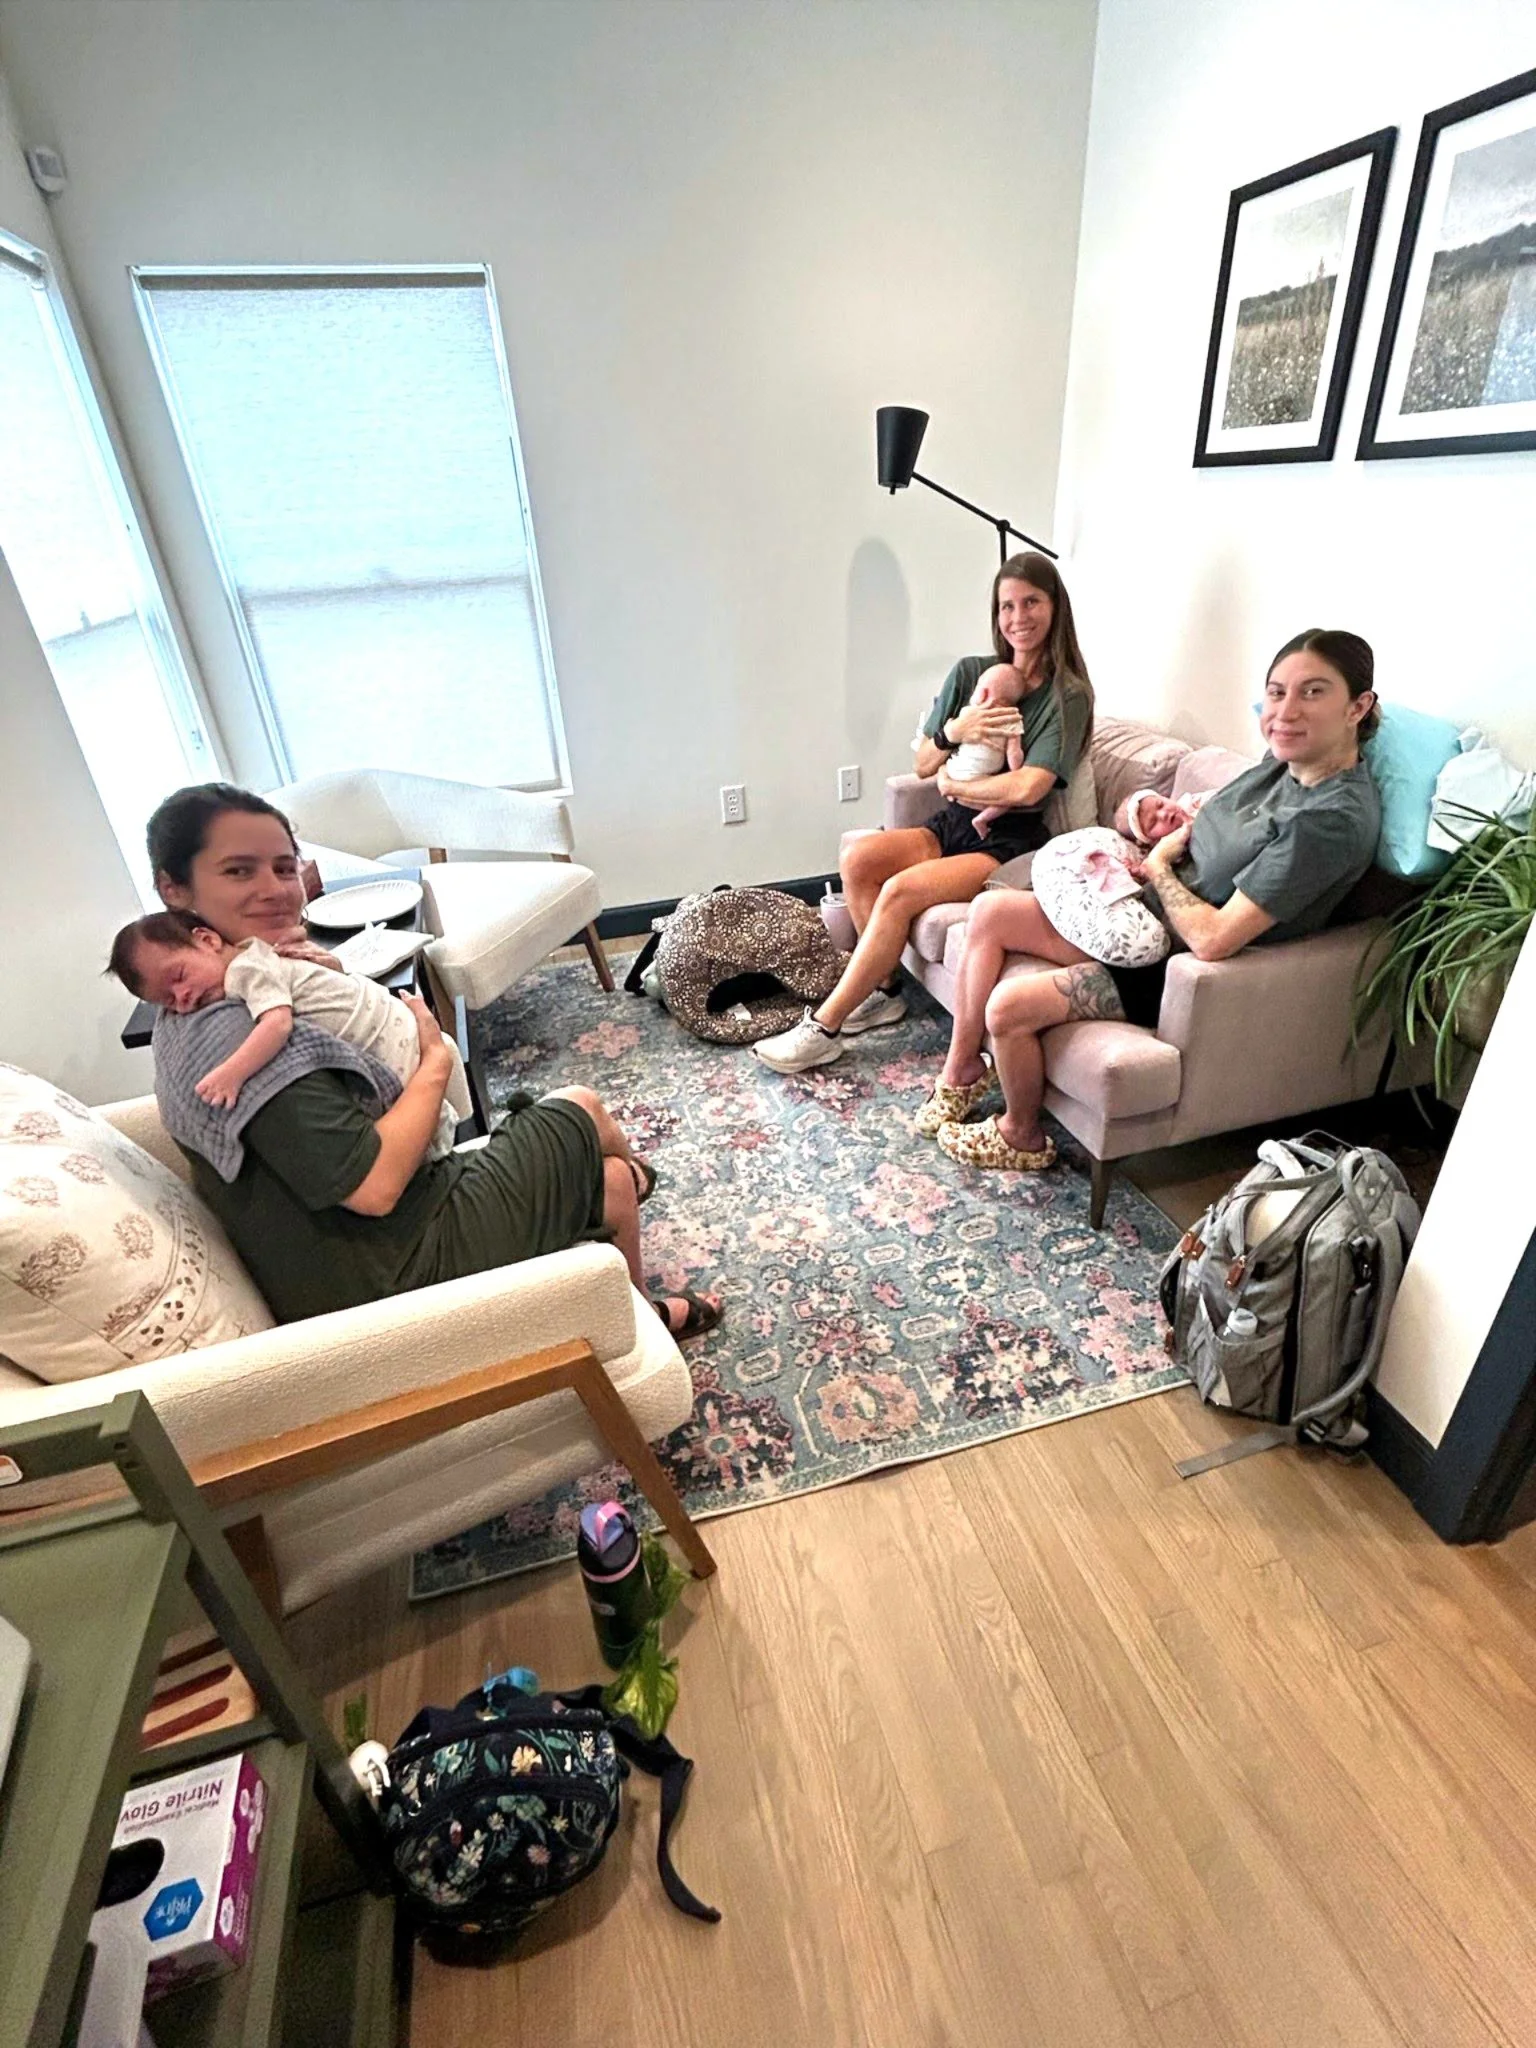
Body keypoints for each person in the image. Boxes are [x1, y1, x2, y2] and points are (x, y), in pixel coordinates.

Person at [141, 782, 719, 1338]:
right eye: (238, 871)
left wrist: (324, 971)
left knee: (609, 1182)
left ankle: (635, 1300)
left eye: (285, 867)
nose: (274, 889)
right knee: (581, 1108)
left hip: (358, 1241)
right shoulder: (249, 1043)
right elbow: (376, 1188)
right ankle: (639, 1186)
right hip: (386, 1268)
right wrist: (436, 1058)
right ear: (175, 888)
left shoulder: (204, 997)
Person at [918, 628, 1383, 1170]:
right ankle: (962, 1070)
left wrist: (1159, 865)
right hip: (1141, 911)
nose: (1285, 712)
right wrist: (1152, 822)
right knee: (991, 912)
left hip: (1170, 960)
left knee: (1010, 1007)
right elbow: (1207, 826)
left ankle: (1020, 1134)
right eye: (1277, 692)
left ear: (1359, 706)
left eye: (1313, 693)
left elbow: (1212, 938)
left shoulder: (1328, 820)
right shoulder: (1281, 765)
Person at [754, 552, 1094, 1074]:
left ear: (1055, 607)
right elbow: (923, 761)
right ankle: (885, 990)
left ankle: (823, 1028)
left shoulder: (1065, 694)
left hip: (1009, 843)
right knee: (861, 857)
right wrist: (953, 734)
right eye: (1007, 606)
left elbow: (1030, 787)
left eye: (1032, 602)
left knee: (899, 891)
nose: (1018, 617)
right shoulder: (972, 674)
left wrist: (958, 782)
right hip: (953, 823)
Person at [106, 908, 472, 1158]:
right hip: (383, 1014)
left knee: (421, 1132)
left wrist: (232, 1074)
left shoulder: (244, 970)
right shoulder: (255, 951)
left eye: (179, 977)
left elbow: (277, 1024)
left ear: (207, 940)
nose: (183, 999)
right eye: (167, 1002)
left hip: (386, 1036)